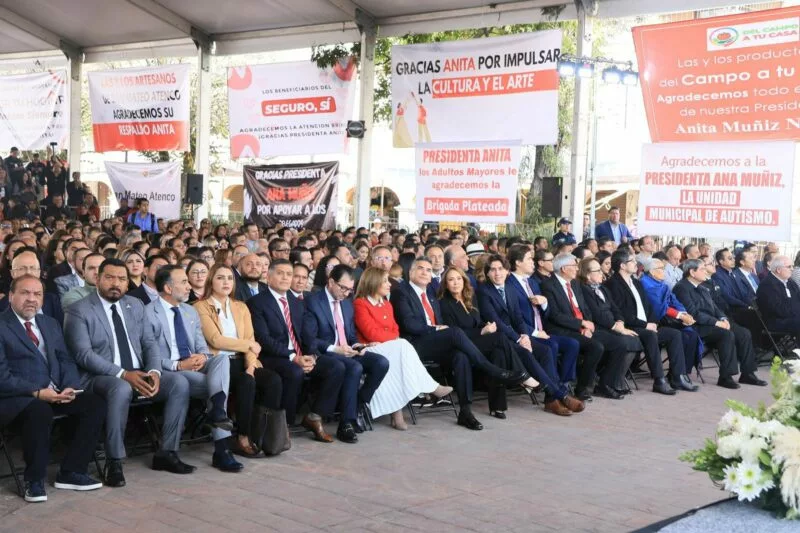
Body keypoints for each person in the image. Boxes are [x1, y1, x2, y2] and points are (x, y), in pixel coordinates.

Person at [64, 259, 194, 487]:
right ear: (97, 279)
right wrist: (124, 374)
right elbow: (84, 355)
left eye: (122, 279)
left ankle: (167, 452)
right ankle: (114, 461)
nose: (116, 283)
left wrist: (154, 371)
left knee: (178, 383)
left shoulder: (135, 305)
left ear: (128, 283)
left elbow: (149, 343)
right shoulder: (79, 310)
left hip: (138, 374)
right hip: (99, 378)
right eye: (110, 277)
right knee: (121, 388)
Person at [0, 275, 106, 502]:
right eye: (25, 293)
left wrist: (69, 387)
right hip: (17, 398)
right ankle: (34, 480)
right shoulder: (2, 325)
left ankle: (71, 471)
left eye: (37, 294)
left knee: (95, 404)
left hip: (55, 392)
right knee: (40, 411)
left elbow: (65, 359)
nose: (31, 299)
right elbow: (2, 377)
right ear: (11, 296)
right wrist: (37, 393)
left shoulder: (50, 323)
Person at [391, 257, 529, 431]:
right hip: (416, 344)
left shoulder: (431, 296)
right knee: (455, 332)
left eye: (428, 270)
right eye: (420, 268)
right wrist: (436, 329)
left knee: (463, 355)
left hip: (439, 343)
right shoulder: (401, 292)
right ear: (410, 272)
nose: (425, 272)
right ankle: (492, 370)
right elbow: (409, 324)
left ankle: (465, 411)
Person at [145, 265, 241, 472]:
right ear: (168, 288)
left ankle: (218, 410)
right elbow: (148, 355)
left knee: (221, 359)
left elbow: (201, 346)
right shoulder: (148, 313)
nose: (189, 286)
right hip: (170, 371)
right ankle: (222, 449)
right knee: (216, 387)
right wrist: (179, 365)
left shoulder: (189, 311)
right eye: (184, 282)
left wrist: (202, 357)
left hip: (195, 365)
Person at [464, 261, 584, 417]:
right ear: (487, 273)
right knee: (526, 353)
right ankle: (560, 395)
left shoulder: (509, 288)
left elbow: (518, 317)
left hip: (516, 335)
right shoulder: (483, 291)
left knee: (545, 351)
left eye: (500, 269)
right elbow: (496, 321)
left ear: (507, 271)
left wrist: (525, 335)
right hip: (499, 337)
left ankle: (551, 400)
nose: (497, 273)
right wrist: (518, 339)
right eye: (492, 270)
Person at [247, 260, 345, 443]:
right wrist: (293, 357)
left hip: (300, 354)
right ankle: (284, 424)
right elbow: (263, 339)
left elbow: (308, 335)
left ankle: (315, 416)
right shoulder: (257, 303)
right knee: (294, 371)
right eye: (280, 273)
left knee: (336, 367)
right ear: (268, 277)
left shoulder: (298, 302)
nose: (285, 278)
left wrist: (313, 356)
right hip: (274, 356)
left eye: (289, 274)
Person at [195, 263, 285, 457]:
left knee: (273, 380)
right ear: (211, 281)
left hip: (243, 360)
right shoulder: (200, 306)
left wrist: (251, 365)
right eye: (220, 278)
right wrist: (248, 345)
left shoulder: (241, 307)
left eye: (230, 278)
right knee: (246, 382)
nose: (226, 282)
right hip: (219, 362)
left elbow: (250, 339)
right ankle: (242, 436)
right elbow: (216, 340)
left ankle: (263, 434)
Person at [353, 267, 452, 430]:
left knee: (397, 357)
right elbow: (370, 332)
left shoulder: (386, 304)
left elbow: (395, 329)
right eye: (385, 281)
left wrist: (390, 338)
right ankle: (431, 387)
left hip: (388, 347)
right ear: (374, 282)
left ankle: (397, 413)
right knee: (402, 345)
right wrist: (391, 339)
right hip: (369, 347)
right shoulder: (360, 303)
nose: (389, 285)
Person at [302, 265, 389, 442]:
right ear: (331, 282)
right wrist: (336, 349)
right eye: (343, 288)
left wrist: (358, 346)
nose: (347, 293)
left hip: (346, 350)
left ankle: (357, 405)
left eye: (350, 289)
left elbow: (350, 335)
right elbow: (310, 339)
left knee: (381, 363)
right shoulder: (313, 301)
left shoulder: (347, 303)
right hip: (325, 352)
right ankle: (346, 423)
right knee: (354, 367)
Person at [605, 250, 697, 393]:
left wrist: (653, 322)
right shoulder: (613, 284)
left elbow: (648, 306)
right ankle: (659, 380)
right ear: (622, 265)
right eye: (632, 261)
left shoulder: (636, 282)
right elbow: (622, 313)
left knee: (674, 334)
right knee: (650, 335)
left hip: (646, 325)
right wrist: (646, 325)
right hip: (630, 327)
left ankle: (677, 377)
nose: (636, 264)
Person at [672, 259, 765, 390]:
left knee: (744, 333)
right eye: (702, 269)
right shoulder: (682, 288)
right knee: (726, 335)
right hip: (696, 326)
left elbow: (715, 308)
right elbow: (693, 313)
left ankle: (748, 373)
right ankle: (725, 376)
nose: (705, 271)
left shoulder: (702, 287)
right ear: (692, 272)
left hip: (713, 322)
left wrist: (723, 318)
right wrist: (716, 322)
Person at [540, 253, 621, 401]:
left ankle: (605, 384)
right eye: (574, 266)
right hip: (562, 329)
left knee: (617, 343)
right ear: (564, 269)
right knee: (595, 347)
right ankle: (582, 388)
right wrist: (581, 324)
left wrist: (587, 326)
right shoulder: (548, 285)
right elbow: (555, 315)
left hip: (582, 328)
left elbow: (585, 309)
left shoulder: (575, 284)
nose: (577, 269)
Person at [504, 245, 579, 386]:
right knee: (552, 346)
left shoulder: (532, 282)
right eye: (529, 259)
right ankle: (552, 387)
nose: (533, 262)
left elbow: (546, 313)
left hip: (542, 330)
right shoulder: (509, 284)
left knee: (572, 344)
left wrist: (544, 303)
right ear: (518, 262)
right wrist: (536, 333)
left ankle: (563, 383)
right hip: (525, 333)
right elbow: (514, 318)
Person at [575, 257, 641, 396]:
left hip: (611, 326)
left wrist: (620, 321)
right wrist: (615, 327)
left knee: (633, 340)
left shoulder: (603, 288)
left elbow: (615, 308)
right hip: (597, 328)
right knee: (621, 342)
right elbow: (596, 314)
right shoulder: (583, 290)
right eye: (598, 270)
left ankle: (615, 381)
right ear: (588, 275)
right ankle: (605, 384)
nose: (602, 273)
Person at [756, 255, 800, 337]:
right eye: (789, 267)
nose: (792, 269)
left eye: (792, 266)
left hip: (791, 317)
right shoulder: (767, 285)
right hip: (775, 321)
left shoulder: (790, 282)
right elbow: (779, 309)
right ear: (778, 270)